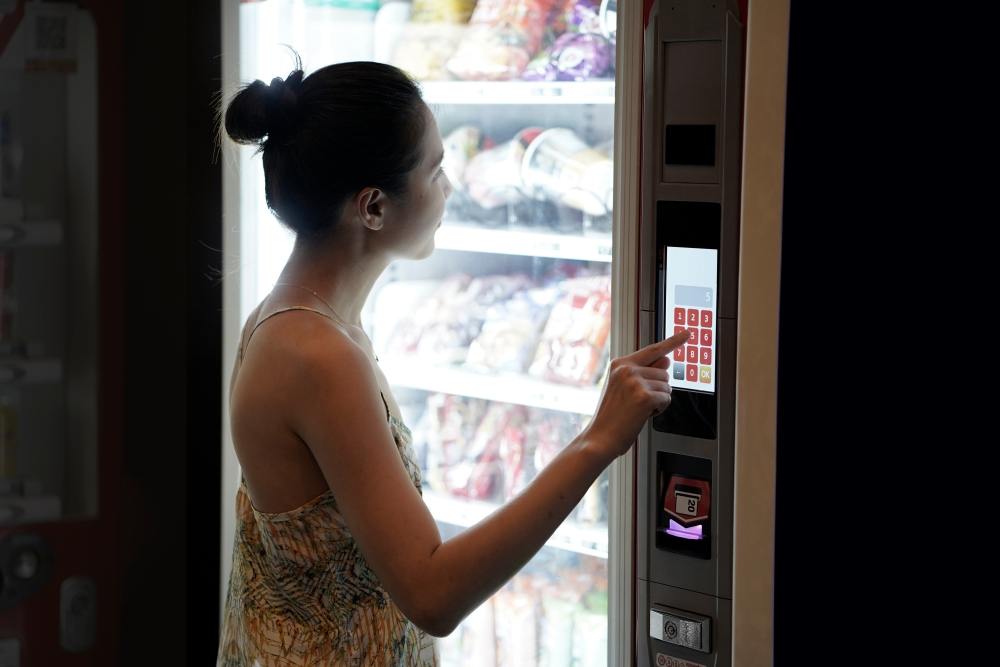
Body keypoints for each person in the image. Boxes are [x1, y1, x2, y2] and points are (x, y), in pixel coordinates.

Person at [216, 60, 688, 666]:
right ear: (374, 208)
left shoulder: (295, 320)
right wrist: (597, 442)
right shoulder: (316, 354)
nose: (449, 191)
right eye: (436, 172)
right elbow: (433, 594)